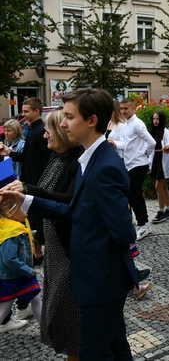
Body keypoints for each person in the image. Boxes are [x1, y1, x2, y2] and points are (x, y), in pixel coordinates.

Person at [1, 88, 138, 360]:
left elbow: (124, 232)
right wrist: (26, 200)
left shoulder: (104, 166)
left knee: (94, 351)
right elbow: (76, 210)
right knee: (115, 348)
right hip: (93, 278)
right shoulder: (89, 159)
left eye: (69, 117)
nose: (62, 124)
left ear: (92, 120)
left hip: (100, 280)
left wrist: (94, 264)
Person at [2, 110, 83, 357]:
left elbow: (66, 203)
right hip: (54, 240)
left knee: (67, 308)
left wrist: (28, 192)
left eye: (48, 129)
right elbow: (43, 195)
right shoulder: (56, 157)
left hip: (67, 244)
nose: (43, 134)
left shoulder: (74, 161)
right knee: (60, 307)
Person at [1, 98, 51, 261]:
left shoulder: (40, 131)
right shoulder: (31, 130)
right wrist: (10, 153)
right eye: (23, 111)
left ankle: (38, 251)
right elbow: (28, 158)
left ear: (37, 111)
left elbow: (43, 160)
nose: (23, 114)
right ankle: (36, 250)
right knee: (32, 215)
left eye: (27, 111)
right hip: (29, 179)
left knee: (36, 216)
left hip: (37, 180)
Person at [111, 98, 156, 241]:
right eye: (121, 109)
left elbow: (152, 142)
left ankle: (143, 224)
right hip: (129, 164)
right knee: (132, 195)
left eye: (126, 109)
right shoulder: (126, 124)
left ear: (134, 109)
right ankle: (141, 222)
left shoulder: (137, 124)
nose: (123, 111)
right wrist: (115, 144)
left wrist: (145, 156)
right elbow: (126, 143)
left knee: (135, 195)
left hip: (138, 164)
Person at [0, 208, 43, 333]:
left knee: (36, 298)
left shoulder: (10, 227)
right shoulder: (13, 231)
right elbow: (9, 259)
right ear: (10, 212)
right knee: (4, 309)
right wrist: (28, 270)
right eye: (21, 208)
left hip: (18, 274)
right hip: (15, 276)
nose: (26, 212)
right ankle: (47, 331)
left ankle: (47, 331)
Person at [149, 110, 169, 224]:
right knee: (163, 186)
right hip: (156, 160)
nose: (155, 121)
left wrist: (167, 147)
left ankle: (161, 211)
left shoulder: (166, 132)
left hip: (163, 161)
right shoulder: (154, 131)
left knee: (158, 186)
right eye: (154, 119)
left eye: (157, 119)